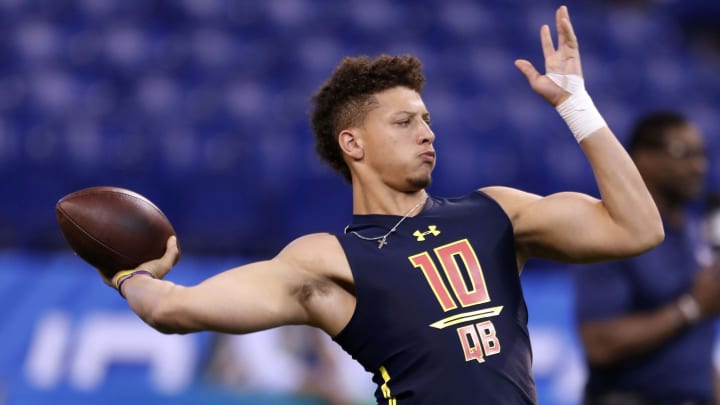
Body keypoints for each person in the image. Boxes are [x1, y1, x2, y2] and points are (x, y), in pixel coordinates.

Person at [103, 6, 663, 404]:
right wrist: (131, 275)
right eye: (404, 122)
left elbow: (636, 229)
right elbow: (174, 311)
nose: (427, 133)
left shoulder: (495, 212)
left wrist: (577, 106)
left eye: (427, 120)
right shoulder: (327, 261)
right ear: (354, 144)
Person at [572, 111, 720, 404]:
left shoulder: (694, 233)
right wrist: (690, 308)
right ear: (642, 158)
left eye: (701, 154)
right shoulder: (608, 235)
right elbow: (600, 344)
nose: (698, 166)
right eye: (683, 153)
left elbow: (693, 353)